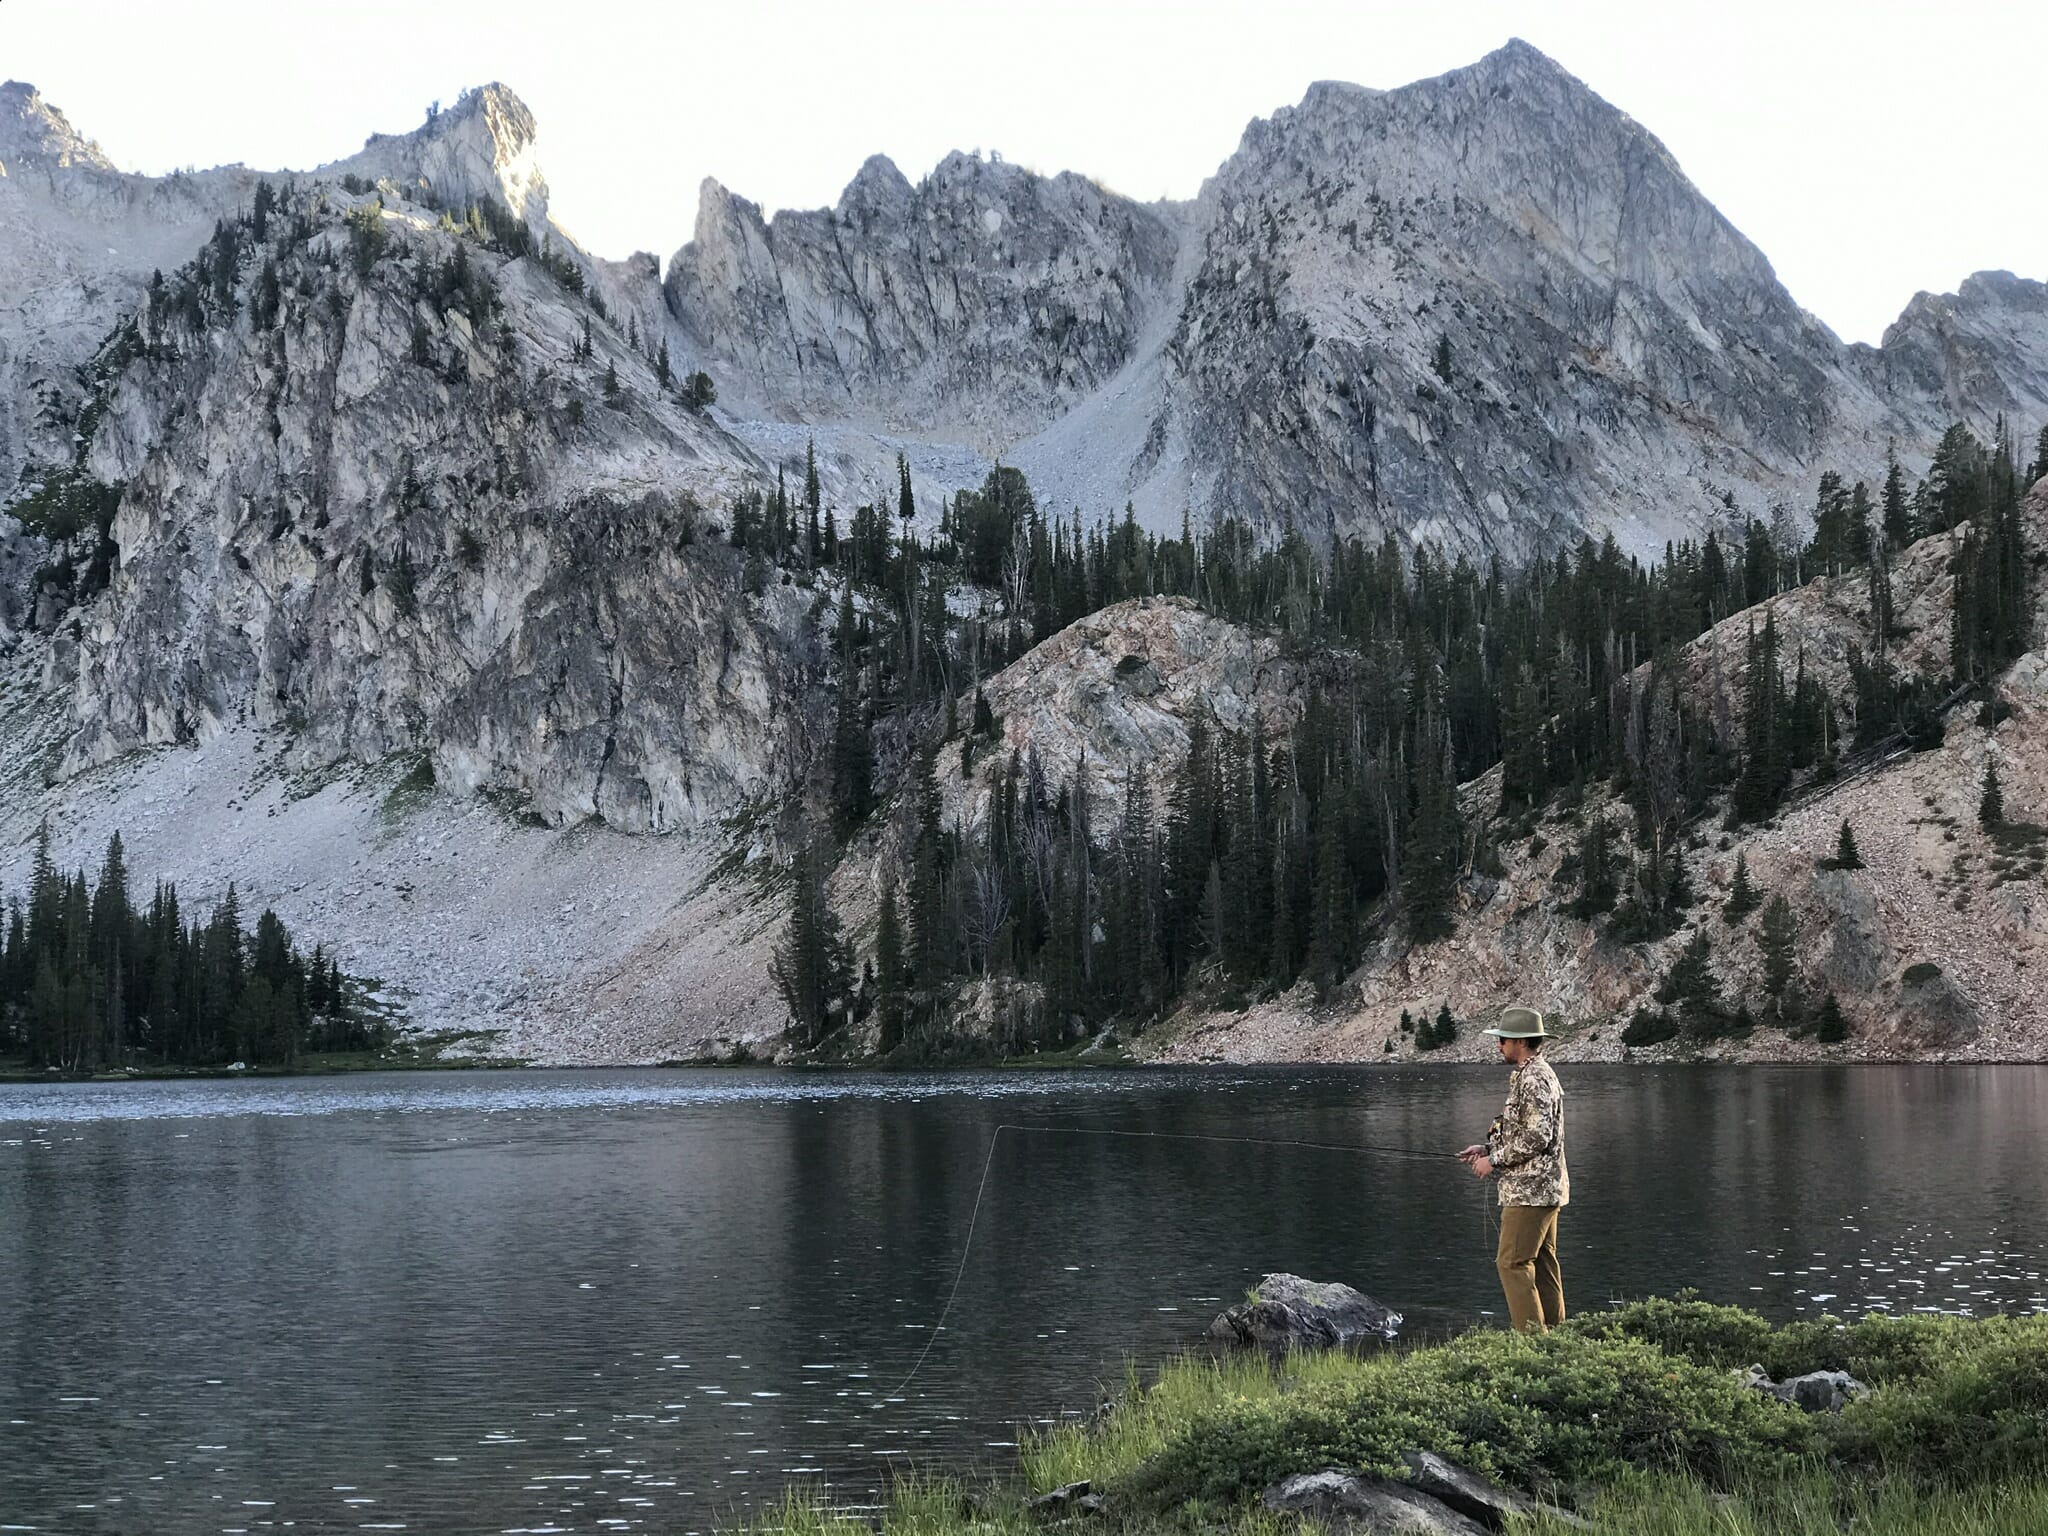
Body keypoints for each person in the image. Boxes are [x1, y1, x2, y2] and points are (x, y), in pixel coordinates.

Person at [1458, 1006, 1568, 1332]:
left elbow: (1537, 1136)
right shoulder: (1536, 1073)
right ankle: (1558, 1338)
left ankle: (1533, 1345)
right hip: (1545, 1189)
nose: (1499, 1046)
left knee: (1512, 1263)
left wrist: (1492, 1161)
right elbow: (1529, 1133)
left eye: (1503, 1040)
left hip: (1530, 1192)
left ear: (1519, 1041)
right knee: (1543, 1264)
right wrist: (1488, 1148)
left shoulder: (1534, 1079)